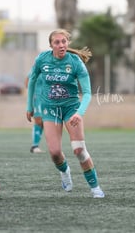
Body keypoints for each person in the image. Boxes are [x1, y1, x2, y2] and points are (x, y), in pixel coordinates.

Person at [25, 29, 105, 198]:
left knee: (79, 150)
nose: (61, 45)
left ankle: (95, 187)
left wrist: (79, 113)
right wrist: (29, 107)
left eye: (64, 42)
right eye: (57, 42)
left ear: (67, 43)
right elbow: (31, 80)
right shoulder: (42, 59)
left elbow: (88, 93)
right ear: (51, 45)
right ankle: (65, 172)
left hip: (71, 109)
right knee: (54, 153)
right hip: (50, 109)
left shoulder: (75, 62)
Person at [25, 75, 44, 153]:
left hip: (45, 98)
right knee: (38, 120)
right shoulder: (36, 68)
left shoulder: (49, 68)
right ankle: (34, 146)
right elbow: (27, 81)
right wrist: (32, 93)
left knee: (43, 122)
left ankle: (36, 145)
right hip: (37, 98)